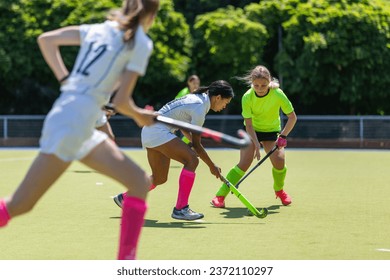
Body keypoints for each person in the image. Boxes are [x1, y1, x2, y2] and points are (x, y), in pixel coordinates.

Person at [0, 0, 160, 260]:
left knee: (139, 182)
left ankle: (125, 265)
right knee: (21, 204)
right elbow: (121, 103)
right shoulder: (141, 42)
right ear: (152, 13)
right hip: (73, 124)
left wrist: (66, 80)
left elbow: (45, 40)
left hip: (75, 118)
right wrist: (141, 116)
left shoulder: (100, 28)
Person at [112, 80, 234, 220]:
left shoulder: (197, 99)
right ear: (218, 97)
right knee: (192, 160)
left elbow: (182, 127)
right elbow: (196, 145)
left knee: (160, 178)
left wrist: (207, 162)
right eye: (226, 102)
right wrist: (212, 166)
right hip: (158, 131)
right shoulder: (200, 106)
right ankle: (181, 208)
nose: (225, 106)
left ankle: (125, 198)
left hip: (150, 131)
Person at [211, 65, 297, 208]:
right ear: (252, 82)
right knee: (244, 163)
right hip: (252, 131)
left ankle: (279, 190)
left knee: (279, 162)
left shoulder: (278, 94)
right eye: (256, 85)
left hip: (271, 131)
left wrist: (283, 136)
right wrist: (256, 144)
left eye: (263, 85)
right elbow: (249, 125)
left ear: (269, 81)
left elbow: (292, 117)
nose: (260, 88)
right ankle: (220, 195)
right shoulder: (247, 97)